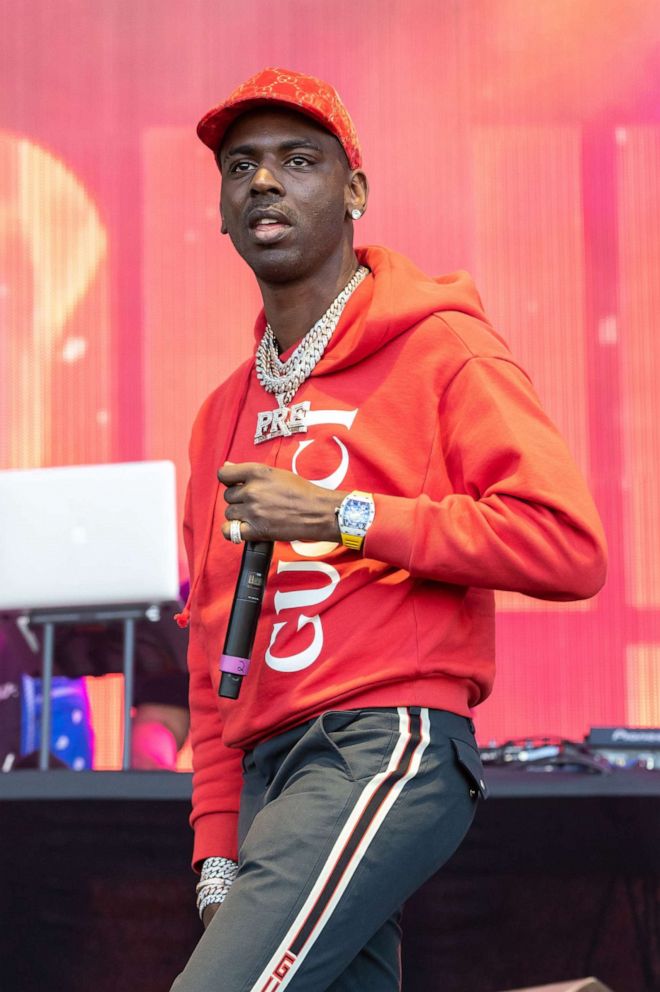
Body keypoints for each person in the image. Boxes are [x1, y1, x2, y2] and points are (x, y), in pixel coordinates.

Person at [171, 67, 607, 992]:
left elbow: (568, 546)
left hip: (382, 741)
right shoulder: (221, 416)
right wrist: (217, 853)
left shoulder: (441, 348)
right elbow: (214, 663)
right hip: (270, 779)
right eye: (240, 166)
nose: (262, 182)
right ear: (219, 210)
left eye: (298, 160)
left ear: (354, 193)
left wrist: (343, 515)